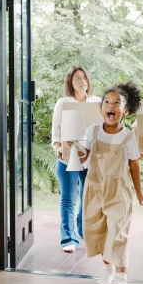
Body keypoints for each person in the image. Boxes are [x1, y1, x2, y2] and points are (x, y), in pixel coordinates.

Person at [73, 82, 143, 284]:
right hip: (94, 189)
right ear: (101, 109)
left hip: (118, 191)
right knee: (97, 232)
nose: (111, 106)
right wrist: (73, 148)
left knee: (118, 231)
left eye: (117, 103)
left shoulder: (128, 136)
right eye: (107, 102)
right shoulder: (92, 132)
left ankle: (122, 277)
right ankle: (108, 269)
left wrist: (140, 193)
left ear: (124, 111)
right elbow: (83, 159)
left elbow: (134, 164)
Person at [51, 65, 102, 253]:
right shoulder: (63, 103)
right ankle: (68, 239)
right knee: (68, 199)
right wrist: (58, 146)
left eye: (84, 78)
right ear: (70, 83)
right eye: (77, 78)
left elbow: (104, 127)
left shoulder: (97, 102)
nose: (82, 81)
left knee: (88, 198)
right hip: (68, 158)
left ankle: (82, 230)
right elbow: (56, 130)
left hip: (90, 157)